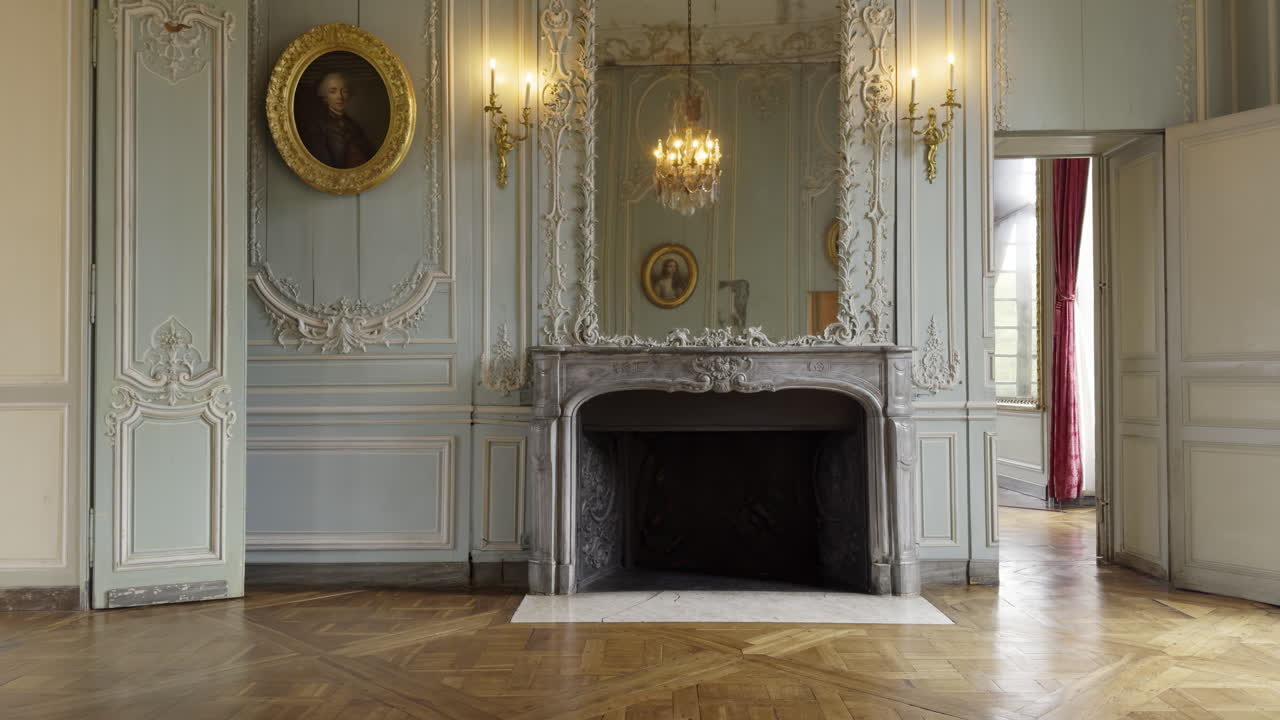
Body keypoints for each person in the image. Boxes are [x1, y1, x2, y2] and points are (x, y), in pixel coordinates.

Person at [300, 71, 375, 169]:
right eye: (333, 91)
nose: (340, 97)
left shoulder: (354, 126)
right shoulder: (317, 126)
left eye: (344, 91)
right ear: (325, 97)